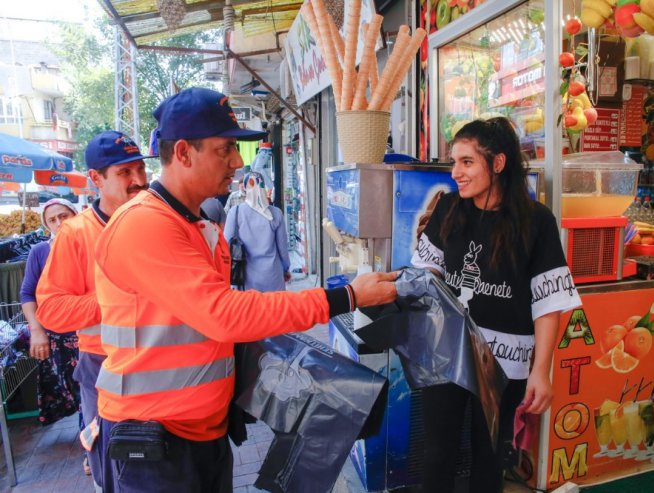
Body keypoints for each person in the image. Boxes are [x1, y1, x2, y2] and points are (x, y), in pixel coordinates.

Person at [92, 87, 397, 492]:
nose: (237, 163)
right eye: (225, 150)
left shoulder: (197, 224)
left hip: (201, 431)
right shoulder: (144, 224)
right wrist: (347, 297)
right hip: (157, 439)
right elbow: (225, 315)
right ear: (183, 153)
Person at [410, 118, 581, 492]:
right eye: (454, 162)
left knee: (490, 457)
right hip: (447, 353)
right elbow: (426, 277)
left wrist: (541, 370)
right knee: (438, 452)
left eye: (467, 162)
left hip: (506, 361)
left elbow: (549, 302)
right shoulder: (449, 209)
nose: (456, 172)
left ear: (498, 163)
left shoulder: (536, 222)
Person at [35, 130, 153, 488]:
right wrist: (117, 300)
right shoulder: (75, 234)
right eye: (124, 173)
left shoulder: (157, 219)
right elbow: (52, 310)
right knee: (113, 465)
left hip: (159, 366)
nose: (137, 181)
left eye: (140, 170)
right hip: (103, 368)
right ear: (96, 179)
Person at [20, 199, 81, 427]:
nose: (59, 223)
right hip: (58, 337)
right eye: (52, 220)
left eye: (64, 216)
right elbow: (27, 293)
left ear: (75, 214)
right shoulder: (40, 251)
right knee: (73, 392)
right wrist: (36, 331)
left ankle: (91, 451)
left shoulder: (90, 243)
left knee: (92, 395)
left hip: (90, 332)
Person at [224, 171, 291, 291]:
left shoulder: (235, 212)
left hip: (245, 278)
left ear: (244, 188)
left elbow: (226, 244)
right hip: (273, 277)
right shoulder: (275, 213)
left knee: (251, 309)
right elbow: (283, 248)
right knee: (275, 308)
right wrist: (285, 269)